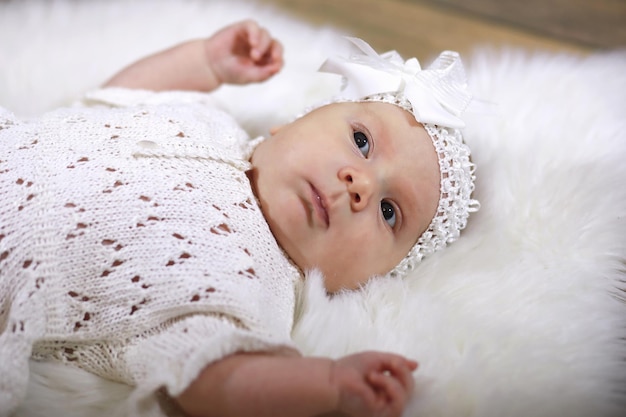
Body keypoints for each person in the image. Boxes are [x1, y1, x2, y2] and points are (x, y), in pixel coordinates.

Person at [0, 20, 477, 417]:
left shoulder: (252, 285)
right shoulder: (210, 117)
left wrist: (328, 384)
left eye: (389, 212)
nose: (361, 184)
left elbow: (218, 379)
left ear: (371, 277)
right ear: (292, 122)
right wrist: (204, 62)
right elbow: (127, 92)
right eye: (361, 142)